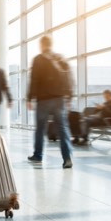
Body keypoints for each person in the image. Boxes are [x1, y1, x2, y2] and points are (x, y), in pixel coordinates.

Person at [27, 36, 73, 169]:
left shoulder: (38, 59)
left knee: (40, 129)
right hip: (60, 99)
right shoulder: (60, 58)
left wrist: (30, 98)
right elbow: (69, 78)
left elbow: (34, 80)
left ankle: (38, 155)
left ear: (41, 45)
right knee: (63, 129)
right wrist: (69, 97)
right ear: (51, 45)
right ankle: (67, 158)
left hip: (43, 100)